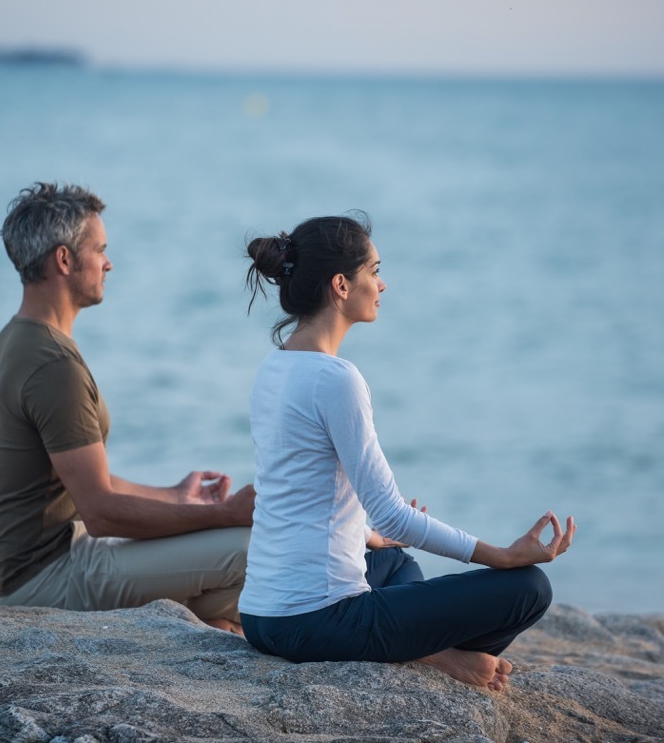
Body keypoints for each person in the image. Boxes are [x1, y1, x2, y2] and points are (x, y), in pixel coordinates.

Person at [239, 213, 576, 689]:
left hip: (261, 616)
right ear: (340, 284)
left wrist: (367, 536)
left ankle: (432, 651)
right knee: (528, 588)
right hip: (314, 621)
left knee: (394, 561)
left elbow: (299, 490)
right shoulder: (337, 380)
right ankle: (437, 657)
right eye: (374, 271)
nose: (383, 283)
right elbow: (395, 516)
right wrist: (500, 555)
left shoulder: (274, 368)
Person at [0, 182, 255, 633]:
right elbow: (101, 512)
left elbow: (87, 481)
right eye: (99, 249)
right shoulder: (52, 364)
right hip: (45, 580)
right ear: (64, 260)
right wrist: (225, 515)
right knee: (247, 548)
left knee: (234, 596)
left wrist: (174, 497)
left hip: (34, 570)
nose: (108, 262)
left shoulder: (14, 340)